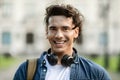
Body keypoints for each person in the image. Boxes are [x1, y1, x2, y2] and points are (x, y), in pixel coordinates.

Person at [13, 4, 111, 80]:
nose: (59, 35)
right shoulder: (26, 70)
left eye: (65, 28)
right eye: (53, 29)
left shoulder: (96, 74)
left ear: (76, 32)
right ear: (47, 32)